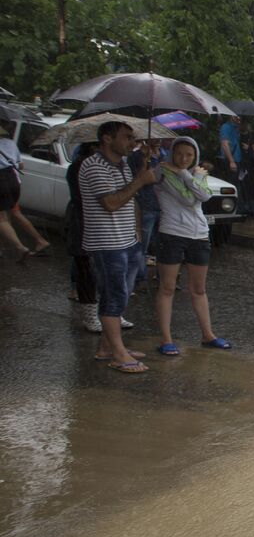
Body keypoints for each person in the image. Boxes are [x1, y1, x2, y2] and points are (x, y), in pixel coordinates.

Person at [80, 120, 158, 373]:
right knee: (113, 296)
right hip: (106, 243)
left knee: (124, 292)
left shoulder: (122, 165)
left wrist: (136, 232)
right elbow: (111, 203)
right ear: (107, 138)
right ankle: (117, 353)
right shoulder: (93, 166)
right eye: (126, 137)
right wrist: (140, 181)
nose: (132, 143)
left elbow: (129, 201)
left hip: (127, 240)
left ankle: (107, 347)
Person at [151, 136, 231, 355]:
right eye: (179, 154)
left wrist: (187, 174)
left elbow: (204, 195)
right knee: (167, 287)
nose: (183, 158)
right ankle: (166, 339)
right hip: (172, 234)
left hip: (199, 234)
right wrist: (189, 176)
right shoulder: (162, 172)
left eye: (189, 154)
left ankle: (208, 335)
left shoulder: (196, 173)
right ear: (171, 153)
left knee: (199, 288)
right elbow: (188, 198)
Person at [0, 124, 51, 259]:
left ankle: (20, 247)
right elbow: (20, 164)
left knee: (2, 219)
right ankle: (40, 241)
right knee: (14, 213)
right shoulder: (10, 143)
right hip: (13, 181)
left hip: (1, 182)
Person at [66, 142, 102, 332]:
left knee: (104, 271)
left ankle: (108, 313)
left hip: (101, 225)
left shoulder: (107, 166)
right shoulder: (77, 168)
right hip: (82, 223)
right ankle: (89, 315)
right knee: (86, 269)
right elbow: (84, 198)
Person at [129, 136, 163, 289]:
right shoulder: (136, 156)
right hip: (146, 204)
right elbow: (139, 180)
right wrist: (145, 160)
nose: (158, 140)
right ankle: (139, 279)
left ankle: (162, 275)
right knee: (142, 244)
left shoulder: (164, 154)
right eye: (154, 137)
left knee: (162, 244)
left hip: (162, 205)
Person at [217, 114, 242, 183]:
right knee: (231, 183)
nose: (238, 118)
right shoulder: (225, 127)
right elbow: (224, 144)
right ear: (231, 116)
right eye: (236, 116)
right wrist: (231, 161)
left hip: (237, 160)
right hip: (230, 160)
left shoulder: (235, 127)